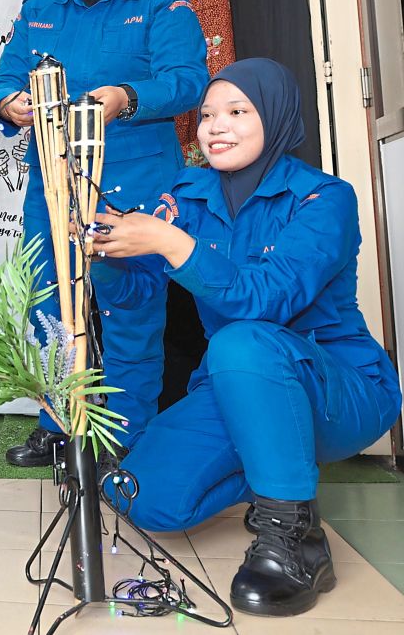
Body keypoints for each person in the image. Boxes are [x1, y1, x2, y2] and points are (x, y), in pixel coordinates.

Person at [92, 58, 402, 617]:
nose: (215, 126)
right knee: (140, 494)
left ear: (277, 117)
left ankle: (292, 538)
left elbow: (265, 299)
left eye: (237, 112)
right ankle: (271, 466)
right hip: (237, 387)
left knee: (242, 339)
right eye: (207, 114)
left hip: (340, 391)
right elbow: (136, 297)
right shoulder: (187, 195)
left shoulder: (324, 199)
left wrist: (168, 241)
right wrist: (109, 251)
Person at [0, 0, 208, 465]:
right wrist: (11, 103)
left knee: (131, 309)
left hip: (134, 188)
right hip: (54, 185)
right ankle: (58, 423)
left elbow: (188, 80)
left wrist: (127, 98)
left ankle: (128, 438)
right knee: (49, 303)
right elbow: (3, 79)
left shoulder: (160, 0)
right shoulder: (40, 10)